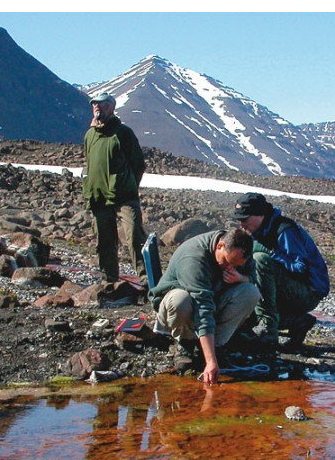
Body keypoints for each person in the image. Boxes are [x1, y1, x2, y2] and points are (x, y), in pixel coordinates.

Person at [149, 228, 260, 384]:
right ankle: (185, 344)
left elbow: (253, 278)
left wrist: (240, 278)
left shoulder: (241, 250)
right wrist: (211, 361)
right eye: (227, 262)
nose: (230, 268)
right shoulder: (194, 258)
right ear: (219, 246)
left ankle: (216, 345)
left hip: (212, 300)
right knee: (181, 300)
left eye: (236, 266)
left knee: (251, 292)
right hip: (179, 306)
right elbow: (202, 308)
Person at [232, 192, 329, 349]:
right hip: (287, 288)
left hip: (308, 292)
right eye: (239, 220)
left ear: (260, 215)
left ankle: (268, 329)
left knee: (260, 260)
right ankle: (298, 322)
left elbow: (300, 268)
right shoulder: (256, 231)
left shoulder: (285, 230)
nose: (242, 225)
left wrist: (271, 253)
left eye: (245, 219)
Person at [82, 92, 148, 286]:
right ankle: (109, 280)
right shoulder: (90, 135)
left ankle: (147, 279)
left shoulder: (123, 133)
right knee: (104, 241)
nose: (97, 107)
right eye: (94, 104)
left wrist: (127, 185)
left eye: (102, 104)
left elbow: (138, 164)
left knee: (134, 236)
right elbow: (89, 163)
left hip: (124, 197)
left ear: (111, 107)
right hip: (98, 197)